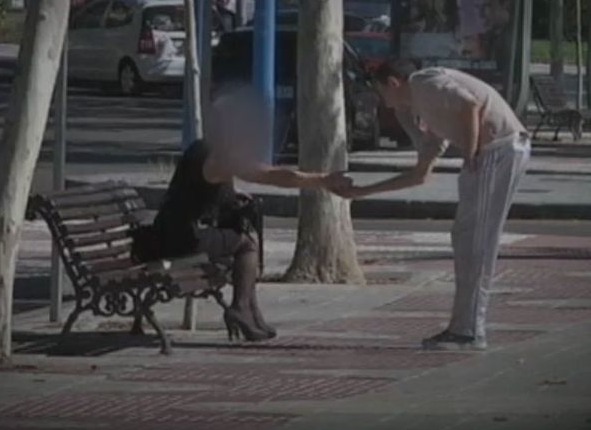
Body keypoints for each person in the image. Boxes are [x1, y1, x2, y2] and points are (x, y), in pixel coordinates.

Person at [331, 60, 530, 351]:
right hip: (491, 153)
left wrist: (471, 154)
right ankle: (463, 327)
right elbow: (419, 175)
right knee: (464, 239)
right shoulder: (424, 110)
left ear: (393, 83)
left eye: (379, 91)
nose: (381, 102)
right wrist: (361, 192)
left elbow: (470, 106)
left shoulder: (425, 83)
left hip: (498, 149)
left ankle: (469, 332)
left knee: (477, 241)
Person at [137, 88, 351, 342]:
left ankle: (250, 311)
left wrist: (234, 195)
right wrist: (324, 180)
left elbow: (203, 189)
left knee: (245, 232)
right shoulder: (218, 159)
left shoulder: (204, 150)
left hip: (172, 233)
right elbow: (272, 175)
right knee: (246, 244)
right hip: (177, 239)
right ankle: (240, 308)